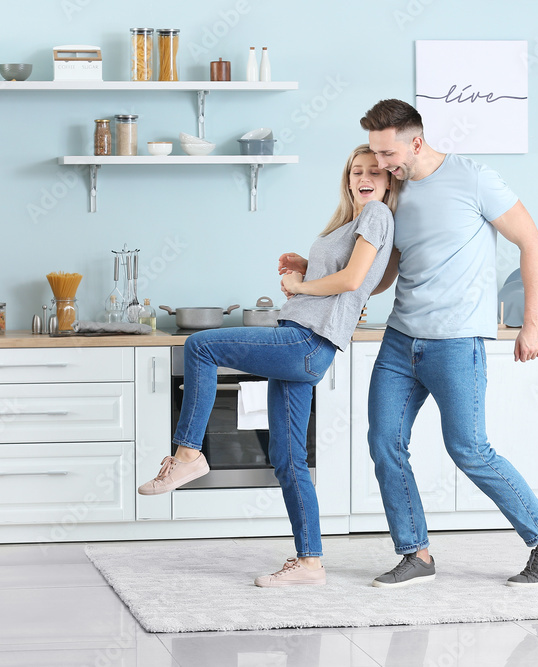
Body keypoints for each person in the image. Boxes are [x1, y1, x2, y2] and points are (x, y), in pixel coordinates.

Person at [137, 144, 397, 588]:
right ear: (347, 177)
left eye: (374, 170)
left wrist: (300, 282)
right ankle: (310, 563)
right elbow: (364, 277)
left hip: (304, 341)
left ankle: (188, 455)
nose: (364, 177)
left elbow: (353, 281)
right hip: (310, 343)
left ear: (390, 179)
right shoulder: (355, 223)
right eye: (356, 170)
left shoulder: (377, 215)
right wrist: (307, 264)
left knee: (200, 346)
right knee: (289, 458)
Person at [360, 99, 538, 588]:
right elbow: (387, 272)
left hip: (456, 342)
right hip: (399, 341)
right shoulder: (395, 193)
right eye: (375, 154)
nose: (381, 164)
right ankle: (416, 554)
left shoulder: (473, 178)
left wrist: (532, 323)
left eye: (388, 153)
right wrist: (324, 281)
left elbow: (532, 241)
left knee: (469, 449)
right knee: (384, 444)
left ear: (416, 142)